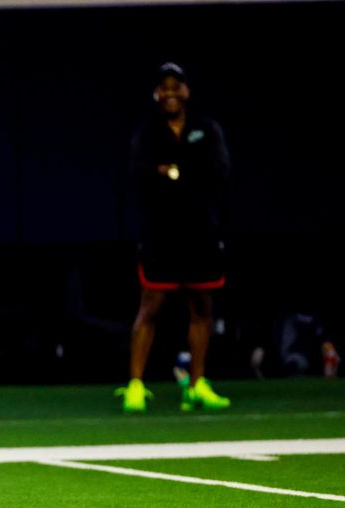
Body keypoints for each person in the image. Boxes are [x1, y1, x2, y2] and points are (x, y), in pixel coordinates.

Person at [118, 63, 232, 412]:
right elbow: (139, 174)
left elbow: (218, 170)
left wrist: (175, 173)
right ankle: (136, 385)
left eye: (176, 86)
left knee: (201, 309)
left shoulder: (206, 130)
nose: (170, 93)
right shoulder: (147, 133)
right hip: (161, 235)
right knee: (149, 308)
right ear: (156, 94)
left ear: (186, 92)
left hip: (200, 233)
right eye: (163, 87)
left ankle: (197, 384)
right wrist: (164, 172)